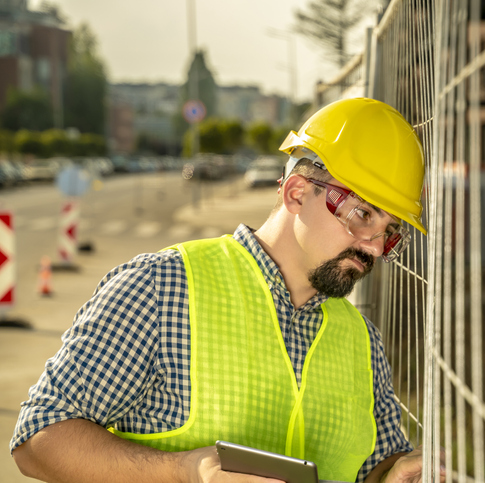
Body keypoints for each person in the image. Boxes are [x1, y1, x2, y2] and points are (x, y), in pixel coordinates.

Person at [11, 98, 441, 483]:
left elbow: (371, 467)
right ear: (296, 192)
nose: (372, 246)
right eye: (363, 214)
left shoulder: (362, 342)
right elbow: (38, 438)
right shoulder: (162, 289)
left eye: (389, 232)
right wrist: (185, 470)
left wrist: (392, 474)